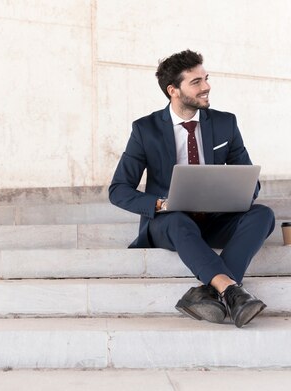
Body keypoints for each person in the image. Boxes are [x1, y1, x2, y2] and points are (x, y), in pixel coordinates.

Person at [109, 49, 275, 328]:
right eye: (196, 82)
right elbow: (118, 189)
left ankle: (211, 291)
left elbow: (250, 181)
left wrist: (236, 194)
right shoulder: (145, 130)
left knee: (263, 214)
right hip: (170, 223)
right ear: (173, 90)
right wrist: (161, 204)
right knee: (176, 220)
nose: (207, 86)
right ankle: (233, 291)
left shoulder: (225, 123)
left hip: (215, 218)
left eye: (206, 78)